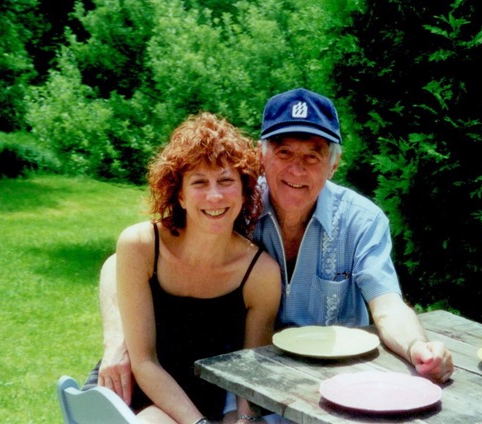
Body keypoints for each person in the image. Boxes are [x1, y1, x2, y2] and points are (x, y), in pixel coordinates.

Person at [88, 89, 454, 417]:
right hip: (246, 384)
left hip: (336, 384)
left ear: (334, 164)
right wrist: (120, 340)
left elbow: (387, 305)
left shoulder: (361, 221)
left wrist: (417, 347)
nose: (297, 169)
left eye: (313, 155)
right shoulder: (231, 205)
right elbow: (123, 262)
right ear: (262, 157)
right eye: (284, 152)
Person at [106, 112, 281, 424]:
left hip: (204, 403)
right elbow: (144, 361)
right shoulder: (141, 245)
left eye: (226, 181)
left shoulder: (261, 273)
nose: (214, 195)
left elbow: (251, 371)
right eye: (199, 182)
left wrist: (245, 420)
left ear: (243, 192)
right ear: (181, 195)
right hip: (130, 394)